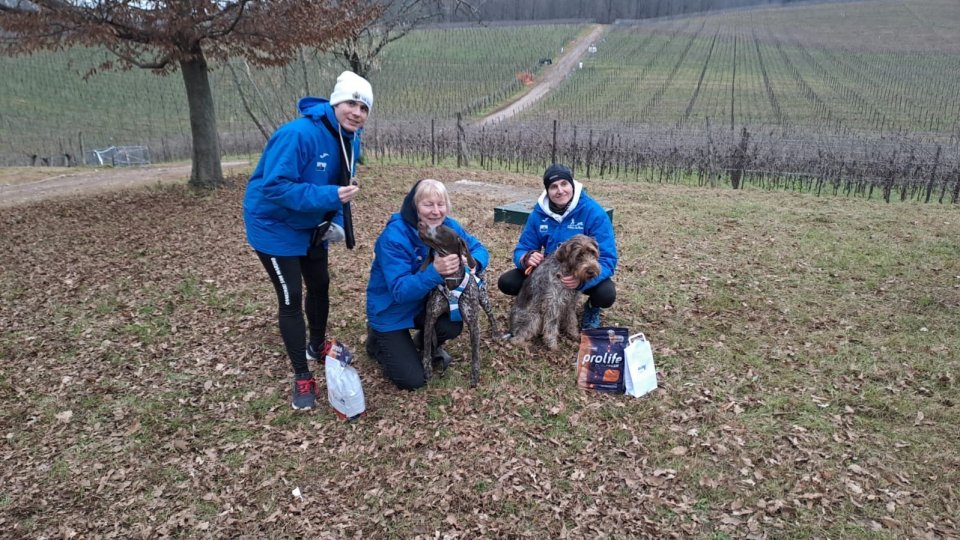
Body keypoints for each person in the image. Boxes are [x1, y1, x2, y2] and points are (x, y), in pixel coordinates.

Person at [243, 71, 373, 410]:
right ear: (335, 102)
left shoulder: (350, 137)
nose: (356, 112)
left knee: (320, 285)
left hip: (312, 224)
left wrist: (338, 221)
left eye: (363, 107)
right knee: (291, 297)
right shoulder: (297, 134)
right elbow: (274, 186)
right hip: (273, 225)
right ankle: (302, 374)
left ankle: (316, 346)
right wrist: (328, 196)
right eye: (351, 103)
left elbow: (343, 184)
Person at [365, 179, 490, 390]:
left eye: (440, 204)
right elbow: (400, 291)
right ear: (415, 206)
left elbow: (478, 247)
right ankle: (377, 341)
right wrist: (435, 272)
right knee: (413, 380)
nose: (435, 211)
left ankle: (421, 342)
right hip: (391, 311)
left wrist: (473, 262)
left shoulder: (449, 226)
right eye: (427, 204)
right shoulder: (394, 236)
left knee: (453, 321)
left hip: (425, 304)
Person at [498, 163, 618, 329]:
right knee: (507, 282)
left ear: (572, 185)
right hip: (552, 272)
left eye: (564, 184)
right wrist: (526, 257)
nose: (560, 190)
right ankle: (534, 307)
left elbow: (608, 258)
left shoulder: (593, 212)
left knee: (606, 294)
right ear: (547, 191)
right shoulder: (538, 213)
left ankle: (591, 308)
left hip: (583, 273)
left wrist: (581, 283)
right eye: (553, 187)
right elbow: (522, 247)